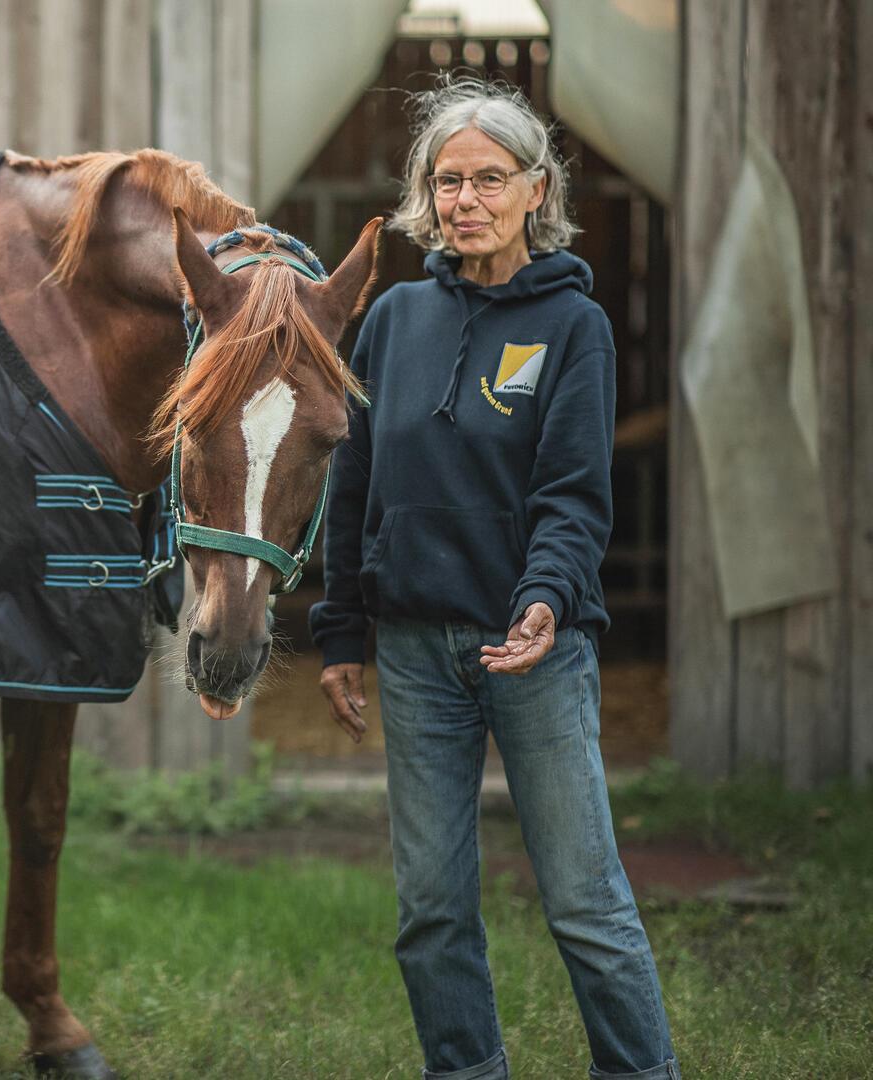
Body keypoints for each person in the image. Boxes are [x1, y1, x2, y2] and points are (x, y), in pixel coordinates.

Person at [310, 79, 681, 1080]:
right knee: (430, 910)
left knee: (585, 903)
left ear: (535, 189)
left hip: (535, 654)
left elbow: (573, 494)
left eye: (487, 179)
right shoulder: (394, 317)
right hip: (418, 655)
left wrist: (544, 601)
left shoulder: (573, 327)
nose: (463, 198)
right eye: (446, 181)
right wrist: (343, 634)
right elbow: (354, 486)